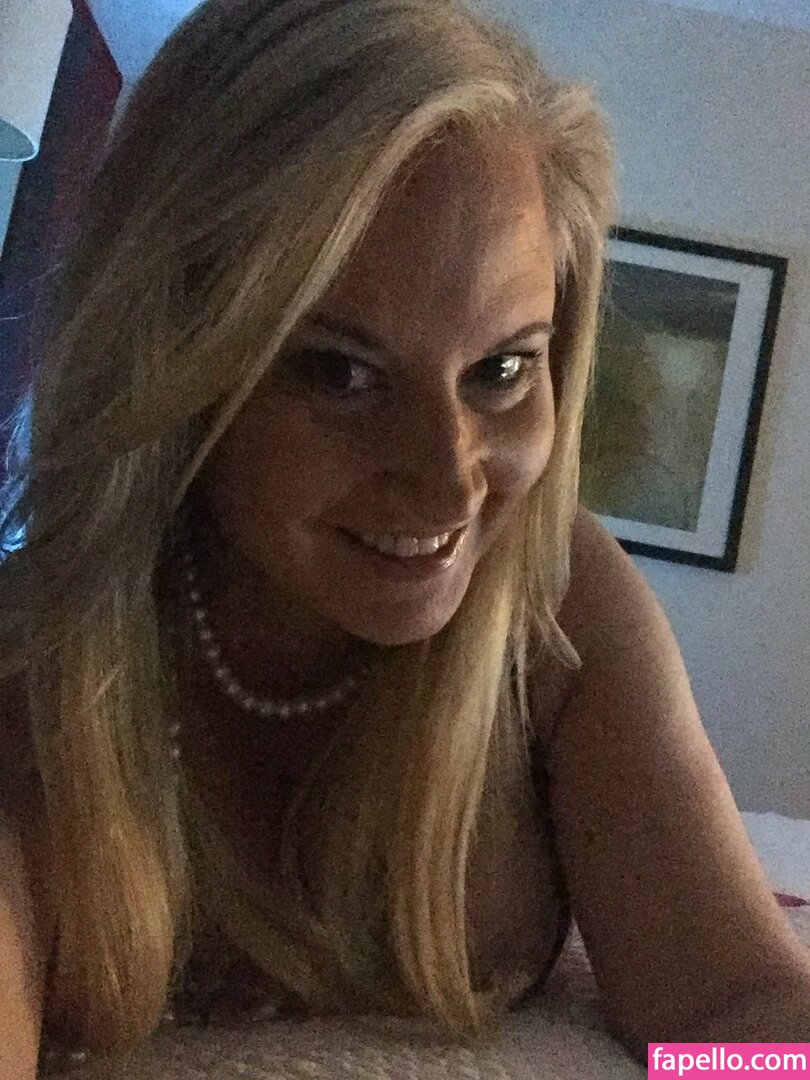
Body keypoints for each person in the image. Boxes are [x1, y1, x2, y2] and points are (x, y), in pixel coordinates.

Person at [0, 0, 808, 1074]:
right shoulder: (35, 669)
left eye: (502, 369)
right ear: (176, 355)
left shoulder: (559, 605)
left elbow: (724, 1016)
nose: (448, 475)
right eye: (341, 373)